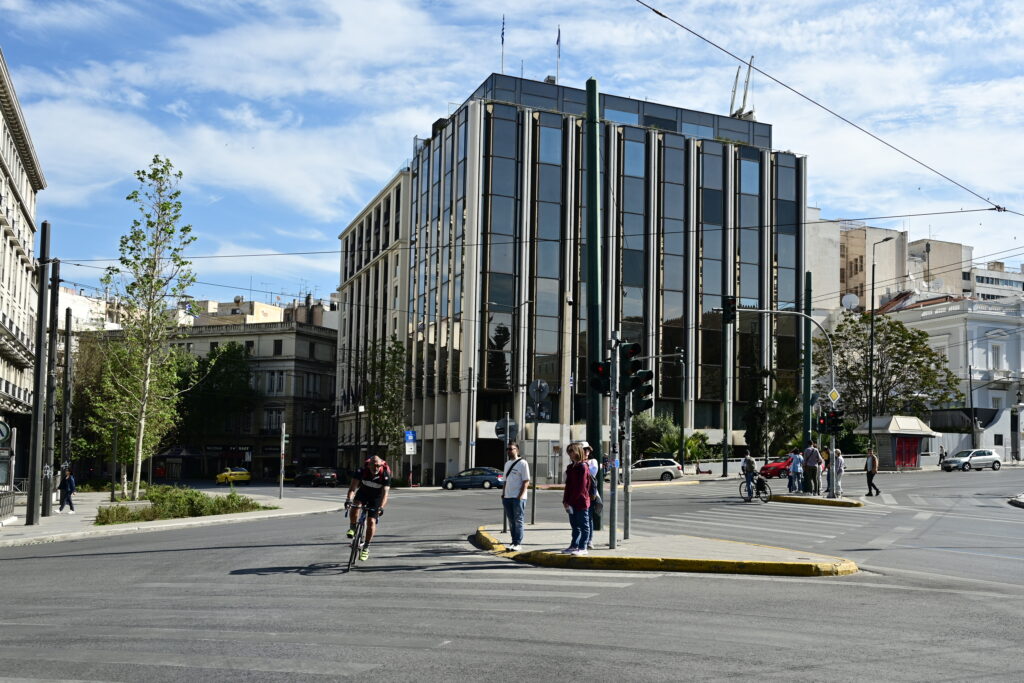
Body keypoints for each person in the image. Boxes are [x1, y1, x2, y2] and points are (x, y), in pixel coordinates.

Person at [345, 454, 390, 561]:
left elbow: (385, 494)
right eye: (374, 465)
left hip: (376, 497)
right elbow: (352, 488)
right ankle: (353, 527)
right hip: (363, 493)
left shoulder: (385, 474)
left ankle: (366, 547)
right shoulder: (361, 471)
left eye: (378, 466)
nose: (376, 468)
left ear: (381, 465)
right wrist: (348, 500)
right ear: (368, 465)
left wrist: (381, 507)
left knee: (371, 521)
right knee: (355, 506)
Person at [562, 443, 591, 556]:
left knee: (584, 525)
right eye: (568, 451)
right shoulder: (570, 467)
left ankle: (583, 547)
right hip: (571, 502)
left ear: (578, 451)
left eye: (571, 451)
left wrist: (571, 501)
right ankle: (574, 545)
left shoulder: (583, 466)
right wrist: (565, 500)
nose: (570, 454)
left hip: (581, 501)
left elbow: (582, 487)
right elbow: (568, 486)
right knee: (574, 526)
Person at [501, 442, 530, 552]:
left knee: (518, 521)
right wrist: (503, 494)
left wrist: (520, 496)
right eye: (507, 449)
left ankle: (518, 543)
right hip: (507, 497)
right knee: (511, 521)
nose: (509, 451)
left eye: (511, 449)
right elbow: (505, 480)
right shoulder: (507, 464)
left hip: (518, 498)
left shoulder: (523, 463)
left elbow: (526, 481)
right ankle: (513, 542)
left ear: (517, 450)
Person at [575, 440, 598, 550]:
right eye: (584, 450)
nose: (586, 452)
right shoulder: (576, 463)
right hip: (578, 493)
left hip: (589, 494)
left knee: (588, 517)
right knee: (578, 518)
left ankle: (589, 540)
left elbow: (591, 473)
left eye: (587, 449)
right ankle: (578, 541)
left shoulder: (592, 462)